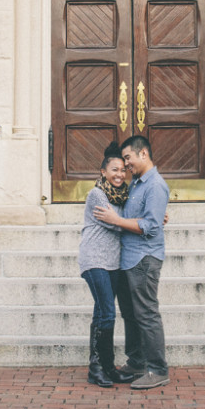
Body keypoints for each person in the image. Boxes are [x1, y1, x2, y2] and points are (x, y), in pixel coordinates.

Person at [94, 135, 170, 390]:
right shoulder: (137, 183)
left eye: (128, 158)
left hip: (144, 259)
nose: (126, 164)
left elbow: (150, 226)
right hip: (128, 259)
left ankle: (158, 370)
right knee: (130, 314)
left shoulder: (155, 185)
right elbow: (141, 215)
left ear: (143, 154)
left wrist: (117, 220)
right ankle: (136, 362)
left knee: (147, 313)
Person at [78, 142, 136, 387]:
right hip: (95, 260)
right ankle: (102, 368)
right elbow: (115, 224)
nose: (119, 174)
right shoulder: (97, 194)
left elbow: (124, 218)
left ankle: (102, 367)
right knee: (108, 313)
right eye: (114, 170)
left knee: (101, 312)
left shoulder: (122, 195)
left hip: (113, 262)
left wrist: (152, 217)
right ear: (103, 172)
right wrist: (136, 222)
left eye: (123, 170)